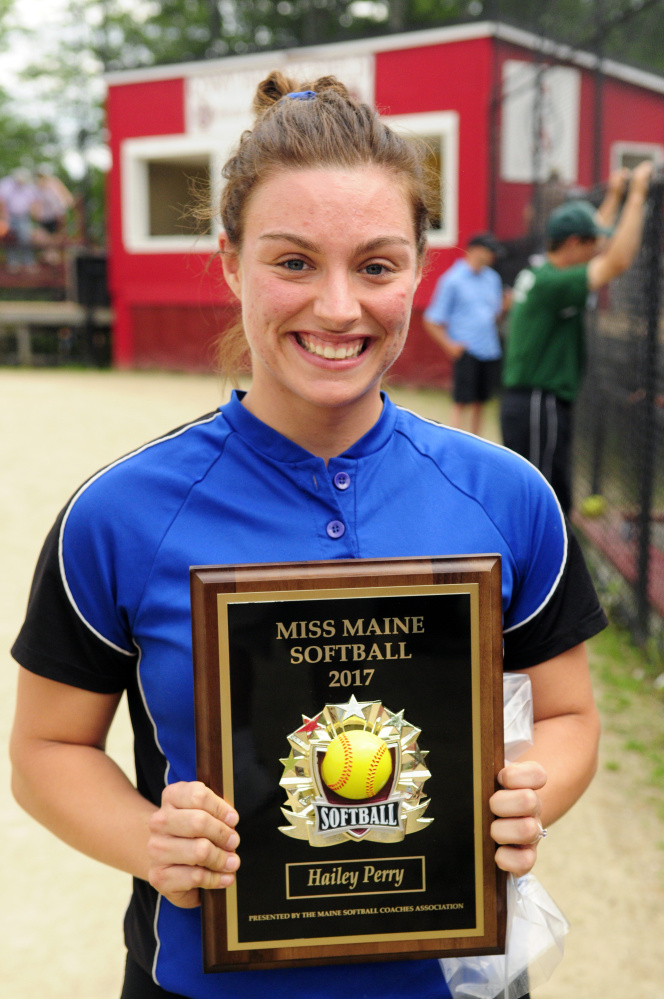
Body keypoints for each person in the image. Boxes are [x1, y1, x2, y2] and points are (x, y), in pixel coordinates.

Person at [10, 73, 604, 999]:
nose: (337, 308)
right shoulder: (120, 513)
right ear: (229, 262)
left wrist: (534, 793)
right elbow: (45, 750)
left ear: (419, 268)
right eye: (292, 262)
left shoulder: (509, 496)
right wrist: (150, 841)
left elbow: (567, 716)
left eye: (375, 265)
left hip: (450, 979)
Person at [500, 163, 652, 515]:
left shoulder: (546, 270)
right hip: (538, 403)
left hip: (533, 403)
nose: (599, 246)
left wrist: (614, 196)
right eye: (592, 242)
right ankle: (543, 569)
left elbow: (594, 238)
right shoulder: (555, 284)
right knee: (542, 502)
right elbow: (617, 260)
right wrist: (638, 196)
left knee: (546, 495)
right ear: (573, 243)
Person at [423, 233, 509, 436]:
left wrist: (504, 308)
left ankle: (476, 441)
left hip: (489, 349)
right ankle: (455, 441)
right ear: (476, 250)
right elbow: (432, 319)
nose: (492, 257)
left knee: (481, 402)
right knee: (461, 401)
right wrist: (449, 345)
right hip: (467, 349)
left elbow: (493, 317)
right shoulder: (453, 280)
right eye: (489, 252)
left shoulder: (492, 278)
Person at [0, 167, 39, 271]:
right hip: (9, 216)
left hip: (24, 216)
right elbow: (2, 201)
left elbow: (33, 202)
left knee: (25, 239)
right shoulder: (6, 184)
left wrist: (35, 215)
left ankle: (29, 262)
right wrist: (4, 217)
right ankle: (13, 263)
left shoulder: (29, 187)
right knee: (10, 239)